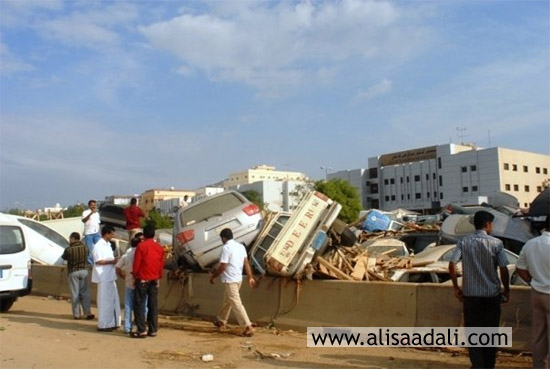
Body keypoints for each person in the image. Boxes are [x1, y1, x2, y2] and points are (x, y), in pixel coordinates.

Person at [449, 210, 510, 369]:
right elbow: (503, 268)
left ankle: (478, 365)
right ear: (488, 224)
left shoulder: (463, 242)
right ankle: (488, 365)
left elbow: (452, 264)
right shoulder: (497, 243)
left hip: (471, 296)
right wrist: (507, 289)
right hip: (491, 296)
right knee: (490, 332)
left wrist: (456, 287)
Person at [516, 216, 550, 369]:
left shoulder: (531, 244)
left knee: (539, 335)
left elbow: (520, 268)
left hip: (537, 293)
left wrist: (531, 281)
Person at [210, 228, 256, 337]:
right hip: (238, 279)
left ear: (223, 238)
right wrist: (250, 277)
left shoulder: (226, 248)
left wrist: (213, 276)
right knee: (228, 300)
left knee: (236, 303)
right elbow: (246, 263)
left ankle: (247, 326)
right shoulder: (240, 247)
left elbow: (223, 266)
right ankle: (221, 320)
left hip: (230, 280)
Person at [131, 225, 165, 338]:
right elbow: (161, 265)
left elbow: (137, 264)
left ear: (144, 235)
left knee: (139, 304)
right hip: (154, 279)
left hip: (142, 278)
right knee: (153, 305)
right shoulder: (159, 248)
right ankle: (153, 329)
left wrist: (135, 275)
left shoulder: (141, 246)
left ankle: (141, 330)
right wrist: (159, 276)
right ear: (154, 234)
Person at [91, 225, 121, 332]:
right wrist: (112, 261)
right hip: (103, 277)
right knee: (104, 301)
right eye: (111, 233)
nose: (113, 235)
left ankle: (113, 322)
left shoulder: (108, 245)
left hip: (110, 276)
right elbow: (98, 261)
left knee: (113, 300)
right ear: (106, 234)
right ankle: (104, 324)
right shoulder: (98, 246)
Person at [116, 232, 144, 334]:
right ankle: (140, 324)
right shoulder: (140, 253)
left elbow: (117, 267)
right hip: (140, 282)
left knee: (128, 305)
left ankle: (127, 327)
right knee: (142, 305)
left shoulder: (126, 255)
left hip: (128, 282)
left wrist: (122, 276)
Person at [61, 232, 94, 321]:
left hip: (73, 272)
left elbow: (64, 257)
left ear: (73, 238)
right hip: (84, 271)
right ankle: (87, 312)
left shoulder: (69, 249)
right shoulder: (85, 248)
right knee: (85, 293)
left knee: (75, 293)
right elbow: (88, 255)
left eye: (70, 239)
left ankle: (77, 314)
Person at [82, 200, 101, 265]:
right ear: (89, 205)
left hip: (96, 233)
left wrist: (99, 232)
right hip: (88, 233)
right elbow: (83, 220)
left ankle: (98, 261)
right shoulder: (85, 212)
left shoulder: (97, 213)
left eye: (94, 205)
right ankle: (90, 264)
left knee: (98, 247)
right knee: (90, 250)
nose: (93, 206)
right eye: (92, 205)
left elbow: (98, 223)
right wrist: (91, 213)